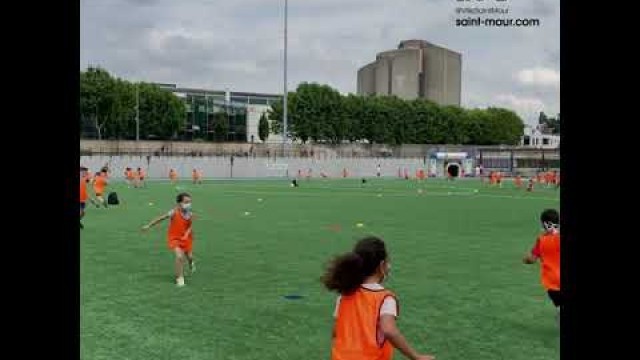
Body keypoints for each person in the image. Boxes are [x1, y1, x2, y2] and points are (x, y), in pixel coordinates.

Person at [322, 237, 435, 360]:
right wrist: (416, 356)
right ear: (382, 266)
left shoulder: (345, 295)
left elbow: (336, 331)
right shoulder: (385, 298)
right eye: (388, 262)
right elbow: (388, 330)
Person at [142, 193, 196, 287]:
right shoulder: (173, 212)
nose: (188, 204)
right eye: (186, 202)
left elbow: (190, 227)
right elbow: (161, 218)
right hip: (174, 238)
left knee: (189, 256)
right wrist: (149, 225)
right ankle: (180, 278)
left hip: (186, 239)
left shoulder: (190, 214)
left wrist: (186, 235)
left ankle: (191, 262)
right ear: (179, 203)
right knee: (179, 257)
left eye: (189, 202)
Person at [523, 209, 561, 323]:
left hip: (552, 282)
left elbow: (532, 259)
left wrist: (525, 259)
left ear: (545, 224)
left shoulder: (542, 240)